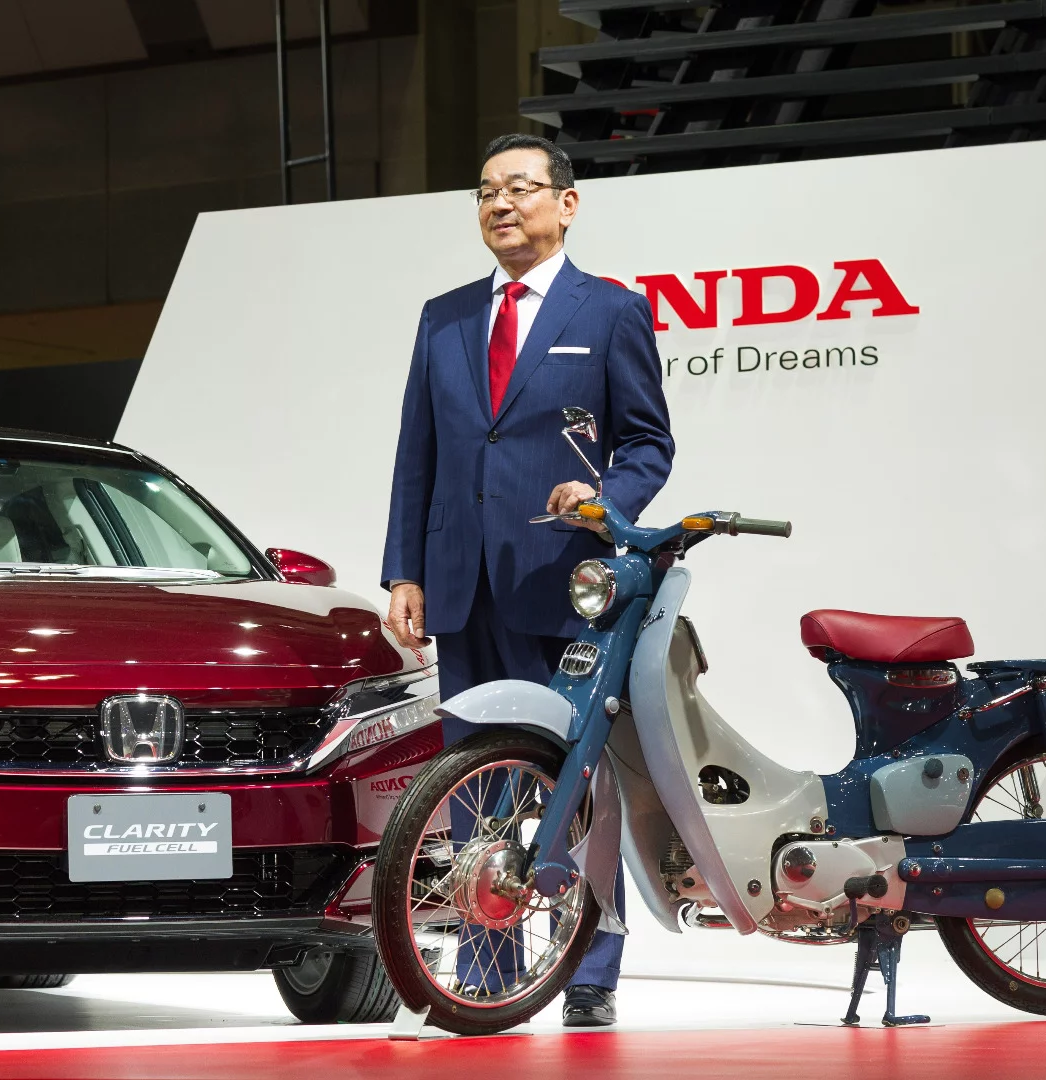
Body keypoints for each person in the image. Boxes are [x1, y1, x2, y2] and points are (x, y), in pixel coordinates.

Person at [380, 132, 674, 1027]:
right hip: (463, 584)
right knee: (473, 780)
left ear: (567, 202)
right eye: (484, 193)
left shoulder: (609, 311)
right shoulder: (445, 315)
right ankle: (490, 961)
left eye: (518, 188)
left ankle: (591, 968)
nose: (499, 205)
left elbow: (649, 442)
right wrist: (405, 570)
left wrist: (604, 496)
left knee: (577, 777)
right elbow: (416, 455)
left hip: (566, 577)